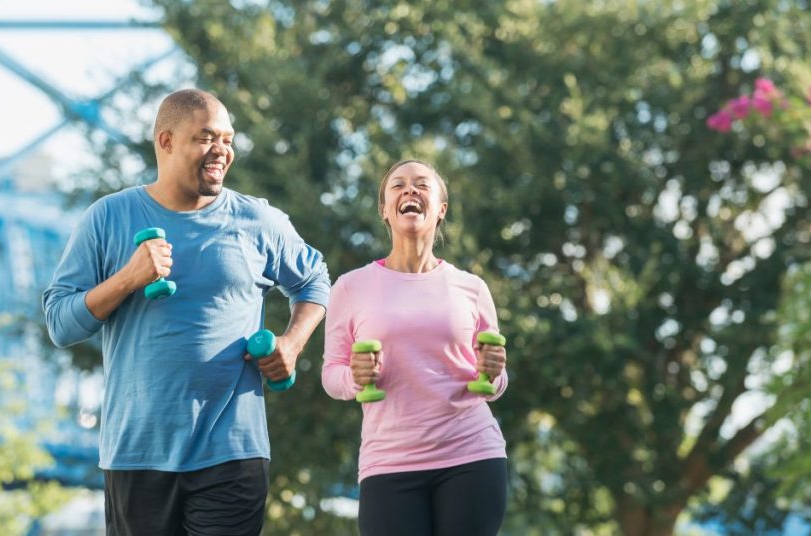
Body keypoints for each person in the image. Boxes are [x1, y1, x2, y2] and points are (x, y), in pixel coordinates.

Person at [43, 88, 330, 535]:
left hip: (232, 450)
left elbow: (314, 279)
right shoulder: (107, 218)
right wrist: (126, 278)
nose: (222, 151)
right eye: (206, 138)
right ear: (166, 141)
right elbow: (61, 324)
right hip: (136, 453)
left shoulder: (258, 220)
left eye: (228, 139)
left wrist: (292, 344)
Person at [322, 159, 509, 536]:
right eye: (399, 185)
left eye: (422, 184)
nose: (410, 190)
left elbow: (494, 383)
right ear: (385, 210)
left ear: (440, 208)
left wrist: (495, 371)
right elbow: (331, 374)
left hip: (471, 454)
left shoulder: (471, 287)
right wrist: (356, 379)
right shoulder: (350, 287)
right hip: (389, 462)